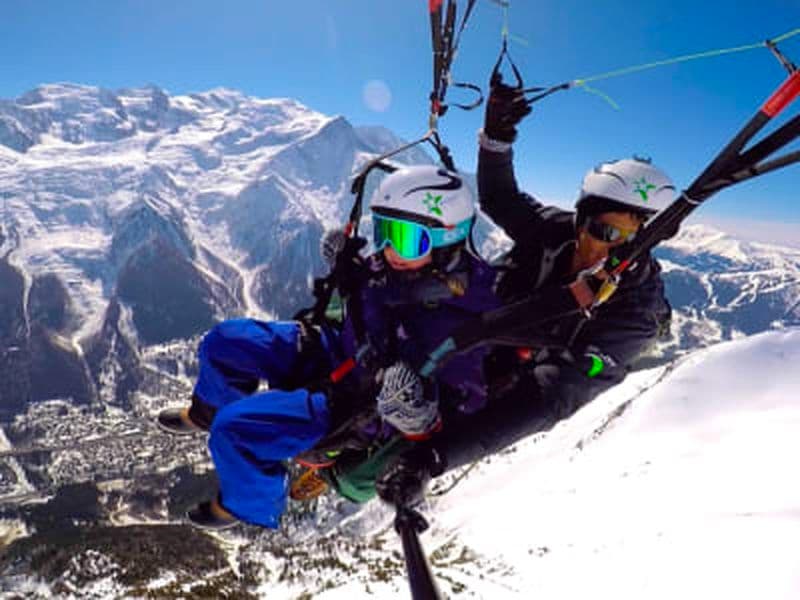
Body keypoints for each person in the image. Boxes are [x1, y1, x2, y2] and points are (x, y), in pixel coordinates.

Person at [375, 81, 674, 507]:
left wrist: (434, 458)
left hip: (496, 374)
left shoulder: (633, 315)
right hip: (471, 322)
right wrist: (497, 139)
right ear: (581, 220)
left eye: (625, 242)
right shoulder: (555, 230)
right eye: (603, 231)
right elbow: (500, 199)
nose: (606, 249)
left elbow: (551, 394)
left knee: (407, 407)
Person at [157, 164, 500, 529]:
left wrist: (420, 413)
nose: (388, 250)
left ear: (449, 240)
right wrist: (346, 267)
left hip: (356, 403)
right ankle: (205, 412)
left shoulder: (470, 315)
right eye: (383, 231)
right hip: (337, 350)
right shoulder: (401, 267)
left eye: (405, 238)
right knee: (226, 342)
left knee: (236, 429)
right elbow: (368, 289)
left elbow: (466, 397)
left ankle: (247, 504)